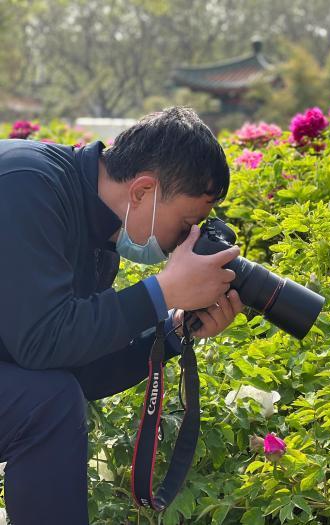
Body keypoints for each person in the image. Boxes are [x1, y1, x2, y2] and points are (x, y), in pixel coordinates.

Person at [0, 106, 244, 524]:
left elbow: (78, 370)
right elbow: (41, 341)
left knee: (51, 396)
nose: (187, 240)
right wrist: (161, 291)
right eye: (188, 223)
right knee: (44, 405)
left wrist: (174, 330)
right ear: (143, 191)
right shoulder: (27, 184)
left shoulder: (97, 236)